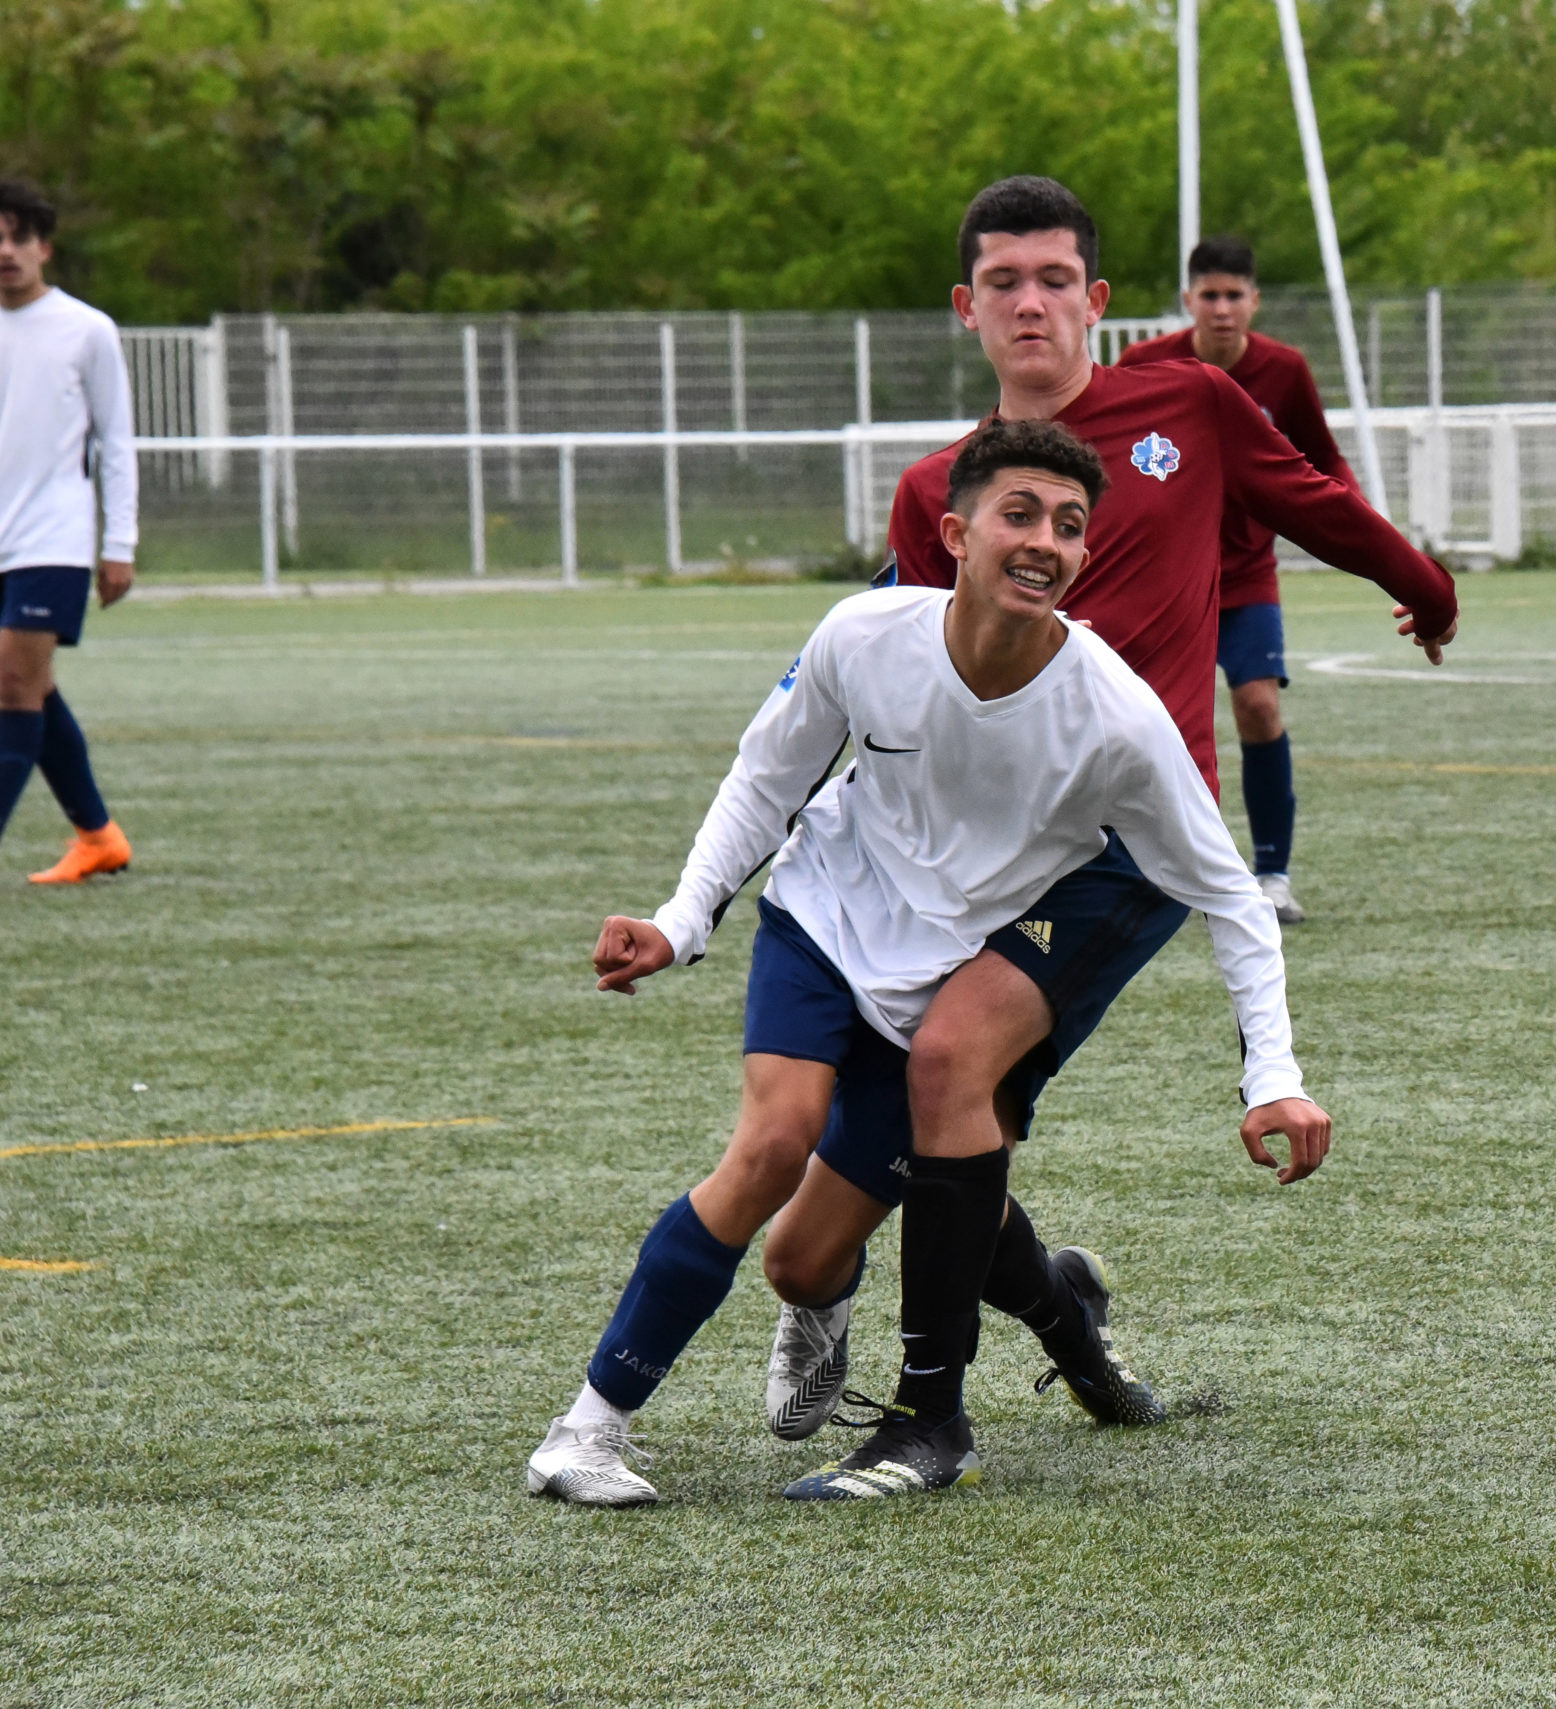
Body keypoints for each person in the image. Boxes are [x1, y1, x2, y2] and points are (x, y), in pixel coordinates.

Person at [751, 177, 1455, 1439]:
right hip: (976, 856)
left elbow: (1314, 499)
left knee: (949, 1069)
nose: (1032, 303)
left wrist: (1423, 582)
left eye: (1055, 279)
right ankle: (1064, 1312)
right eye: (1005, 282)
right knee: (821, 1234)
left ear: (1099, 300)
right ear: (967, 307)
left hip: (1125, 853)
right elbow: (890, 675)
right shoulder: (939, 491)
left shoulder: (1191, 404)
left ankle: (929, 1421)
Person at [525, 419, 1330, 1506]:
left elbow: (1230, 893)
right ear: (954, 534)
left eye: (1069, 525)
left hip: (937, 981)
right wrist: (683, 918)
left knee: (810, 1249)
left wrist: (1272, 1073)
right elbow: (766, 779)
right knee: (770, 1146)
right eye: (1019, 514)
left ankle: (1035, 1323)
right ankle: (585, 1432)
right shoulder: (863, 635)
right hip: (821, 919)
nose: (1044, 540)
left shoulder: (1115, 718)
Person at [1118, 236, 1348, 923]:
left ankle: (1272, 874)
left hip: (1246, 577)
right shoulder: (1144, 367)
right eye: (1209, 295)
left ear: (1255, 301)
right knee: (1142, 723)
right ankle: (1144, 867)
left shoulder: (1285, 371)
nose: (1222, 308)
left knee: (1258, 706)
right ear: (1187, 300)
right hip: (1163, 580)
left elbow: (1324, 459)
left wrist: (1365, 532)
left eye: (1234, 295)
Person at [0, 177, 136, 884]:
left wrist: (119, 545)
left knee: (10, 685)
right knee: (34, 686)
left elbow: (116, 442)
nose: (6, 252)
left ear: (44, 248)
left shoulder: (86, 330)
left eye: (18, 238)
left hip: (52, 539)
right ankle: (98, 835)